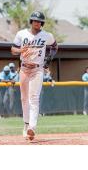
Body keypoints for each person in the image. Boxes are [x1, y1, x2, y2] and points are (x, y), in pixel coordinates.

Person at [11, 11, 58, 140]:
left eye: (39, 21)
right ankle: (26, 125)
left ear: (42, 23)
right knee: (24, 98)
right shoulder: (22, 34)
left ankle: (32, 127)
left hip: (38, 69)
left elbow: (54, 46)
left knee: (34, 98)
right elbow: (13, 49)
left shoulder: (46, 35)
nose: (37, 23)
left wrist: (49, 59)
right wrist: (21, 50)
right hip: (24, 68)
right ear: (31, 21)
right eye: (35, 20)